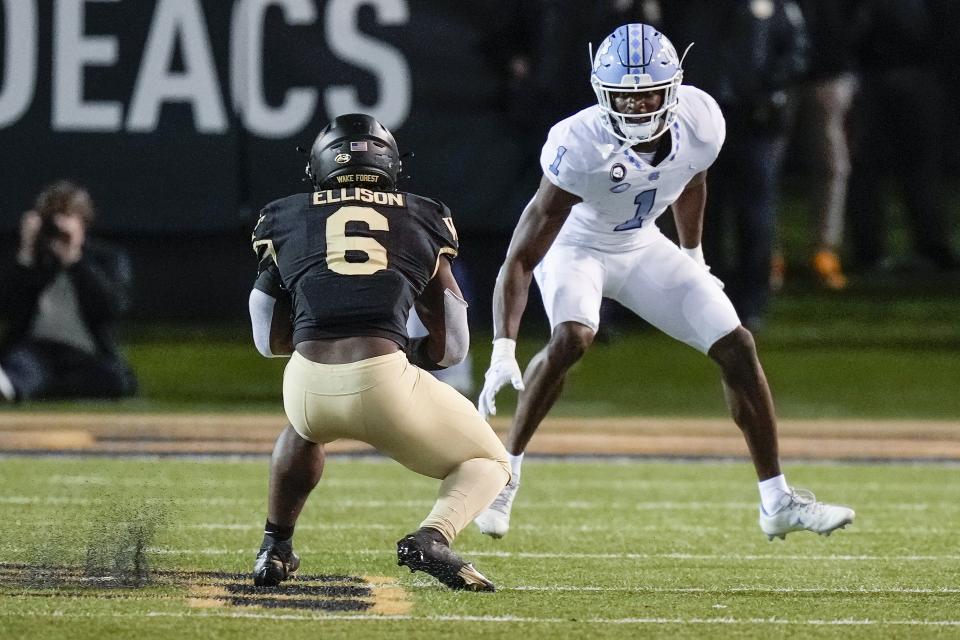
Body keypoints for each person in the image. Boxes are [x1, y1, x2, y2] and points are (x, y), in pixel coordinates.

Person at [474, 24, 854, 542]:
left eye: (648, 94)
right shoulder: (578, 144)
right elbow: (521, 256)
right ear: (602, 94)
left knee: (738, 345)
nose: (637, 108)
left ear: (673, 86)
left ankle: (777, 501)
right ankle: (504, 476)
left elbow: (691, 178)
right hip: (578, 247)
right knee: (573, 337)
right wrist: (503, 346)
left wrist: (693, 253)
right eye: (625, 98)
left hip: (641, 244)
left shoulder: (701, 119)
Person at [248, 114, 510, 592]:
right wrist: (407, 353)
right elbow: (453, 340)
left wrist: (311, 340)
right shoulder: (422, 214)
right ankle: (432, 538)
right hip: (385, 382)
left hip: (305, 384)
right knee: (492, 463)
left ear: (318, 165)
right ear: (390, 164)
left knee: (303, 430)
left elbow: (265, 330)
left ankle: (274, 546)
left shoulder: (285, 215)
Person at [0, 181, 137, 402]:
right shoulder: (33, 260)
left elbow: (111, 309)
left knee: (113, 380)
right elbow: (9, 308)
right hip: (37, 348)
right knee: (25, 366)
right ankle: (18, 385)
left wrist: (74, 259)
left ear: (83, 222)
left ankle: (28, 389)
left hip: (84, 352)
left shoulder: (108, 259)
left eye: (65, 217)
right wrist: (26, 253)